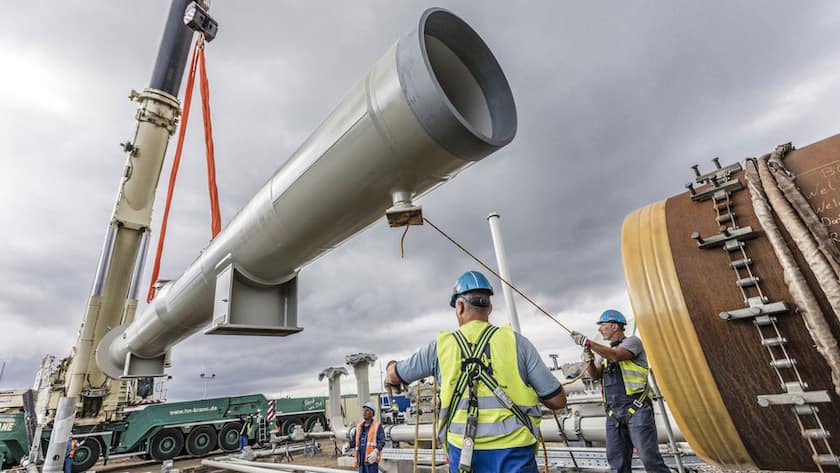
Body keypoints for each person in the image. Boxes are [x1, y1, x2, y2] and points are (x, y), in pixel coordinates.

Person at [385, 270, 567, 473]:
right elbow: (558, 401)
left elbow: (394, 375)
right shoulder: (518, 343)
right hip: (515, 451)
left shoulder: (440, 348)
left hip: (464, 452)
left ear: (460, 306)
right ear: (489, 307)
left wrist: (390, 365)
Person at [570, 309, 669, 473]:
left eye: (602, 325)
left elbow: (617, 356)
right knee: (617, 463)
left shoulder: (633, 343)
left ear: (614, 326)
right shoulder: (605, 354)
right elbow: (595, 376)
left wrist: (589, 343)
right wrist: (589, 358)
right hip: (613, 414)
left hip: (636, 409)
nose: (599, 329)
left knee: (650, 460)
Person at [348, 402, 385, 473]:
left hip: (371, 460)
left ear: (372, 413)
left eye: (367, 410)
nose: (364, 413)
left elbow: (382, 441)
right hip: (361, 460)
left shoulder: (377, 426)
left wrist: (375, 451)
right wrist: (348, 445)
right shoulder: (359, 427)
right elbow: (355, 441)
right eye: (363, 410)